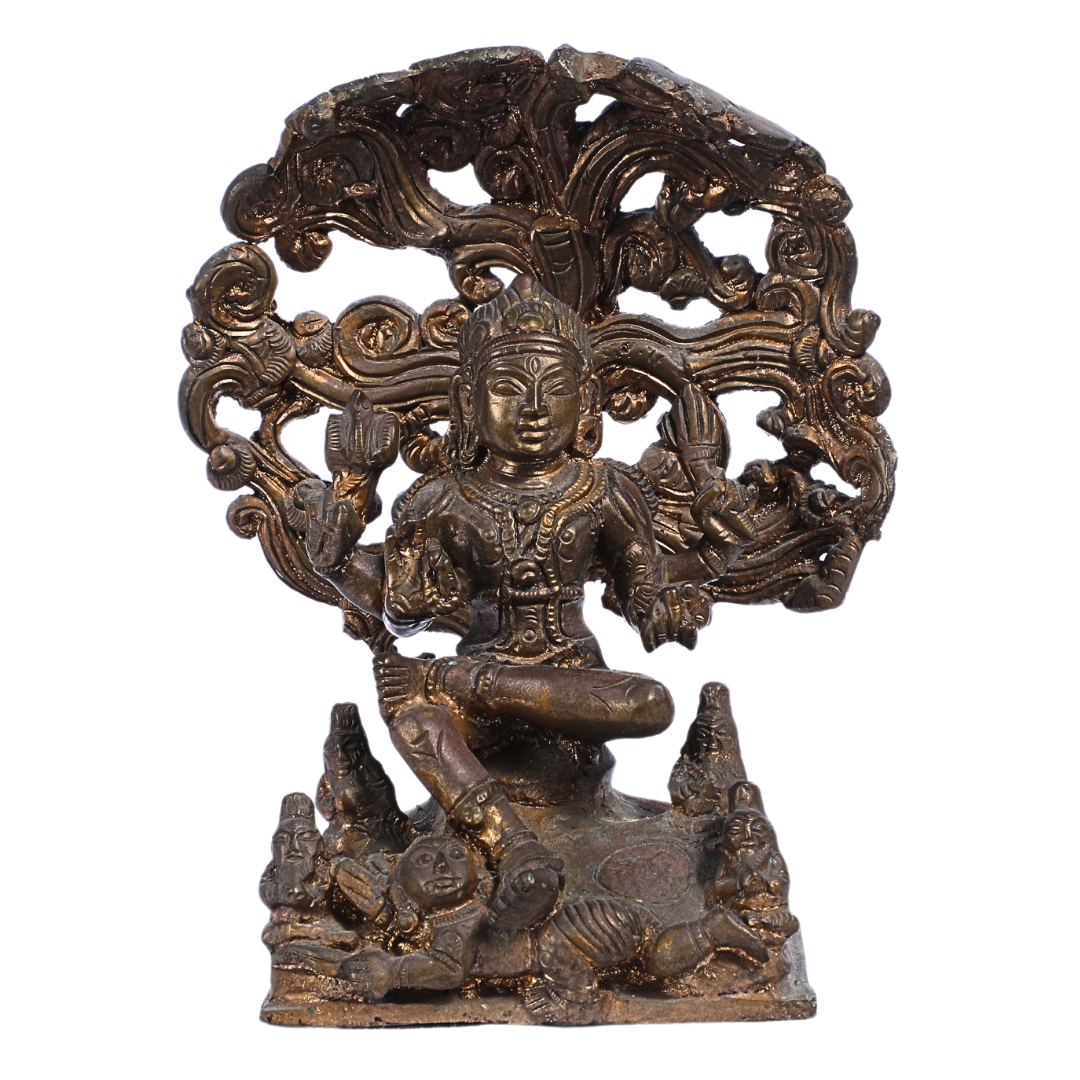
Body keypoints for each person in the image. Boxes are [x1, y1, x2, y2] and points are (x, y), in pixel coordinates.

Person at [300, 275, 754, 929]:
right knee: (413, 718)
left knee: (653, 703)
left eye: (556, 387)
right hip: (477, 706)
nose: (535, 407)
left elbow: (646, 592)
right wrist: (342, 539)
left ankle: (463, 683)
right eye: (510, 387)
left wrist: (705, 564)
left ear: (586, 398)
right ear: (469, 399)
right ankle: (516, 850)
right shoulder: (441, 498)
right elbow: (400, 607)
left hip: (570, 687)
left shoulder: (603, 489)